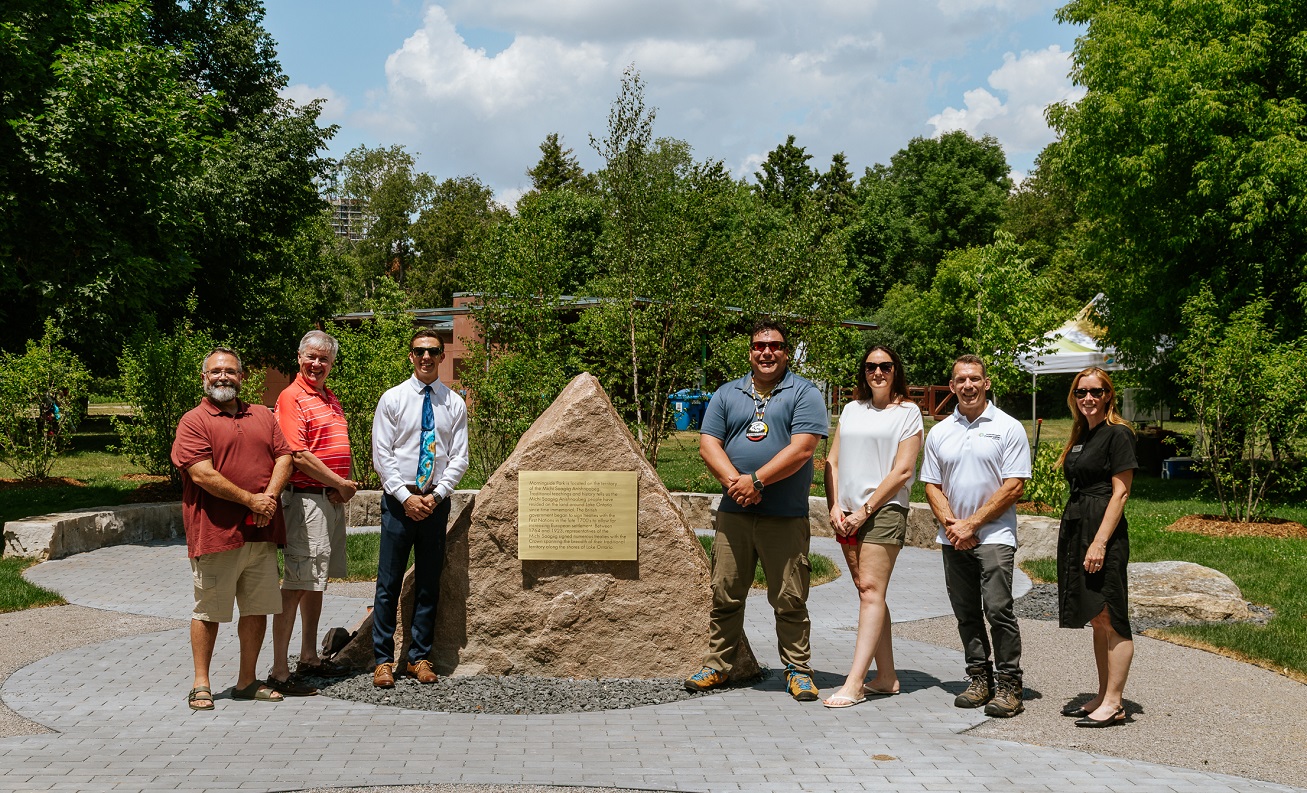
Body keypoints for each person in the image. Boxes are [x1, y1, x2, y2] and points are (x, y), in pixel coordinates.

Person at [684, 320, 829, 702]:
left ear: (786, 351)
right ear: (750, 351)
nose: (767, 352)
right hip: (735, 513)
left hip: (784, 515)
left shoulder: (804, 393)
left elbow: (803, 449)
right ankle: (717, 666)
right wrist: (738, 483)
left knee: (789, 597)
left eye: (776, 346)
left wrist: (758, 481)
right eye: (759, 346)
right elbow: (708, 445)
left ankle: (798, 670)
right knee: (725, 592)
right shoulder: (727, 393)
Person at [171, 347, 293, 710]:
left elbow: (284, 455)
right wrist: (251, 501)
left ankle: (246, 681)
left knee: (257, 609)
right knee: (209, 610)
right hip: (216, 533)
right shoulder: (193, 420)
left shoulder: (263, 415)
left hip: (261, 533)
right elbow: (201, 473)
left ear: (242, 377)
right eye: (216, 372)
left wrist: (268, 498)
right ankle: (201, 683)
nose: (223, 377)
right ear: (204, 378)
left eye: (231, 371)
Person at [920, 354, 1031, 717]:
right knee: (966, 612)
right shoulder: (940, 432)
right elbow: (932, 485)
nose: (968, 385)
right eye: (961, 380)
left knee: (998, 609)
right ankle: (979, 679)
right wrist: (955, 526)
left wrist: (973, 524)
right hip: (953, 538)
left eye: (975, 379)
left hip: (995, 535)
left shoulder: (1008, 426)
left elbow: (1014, 486)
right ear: (952, 387)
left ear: (986, 383)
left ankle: (1009, 685)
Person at [821, 345, 923, 708]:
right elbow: (832, 460)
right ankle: (888, 677)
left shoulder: (908, 413)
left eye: (885, 366)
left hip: (882, 510)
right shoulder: (851, 409)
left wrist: (865, 510)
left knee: (869, 591)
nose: (877, 372)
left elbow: (903, 471)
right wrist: (834, 504)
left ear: (896, 370)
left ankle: (855, 682)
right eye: (870, 367)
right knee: (870, 594)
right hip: (845, 512)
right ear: (863, 371)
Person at [370, 328, 469, 688]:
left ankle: (419, 657)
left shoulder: (454, 403)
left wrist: (437, 494)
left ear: (443, 356)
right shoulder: (393, 399)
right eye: (419, 351)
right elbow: (383, 454)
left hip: (434, 502)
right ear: (411, 356)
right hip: (400, 503)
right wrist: (404, 497)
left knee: (429, 581)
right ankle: (382, 660)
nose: (426, 357)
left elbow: (459, 457)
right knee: (388, 583)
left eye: (432, 351)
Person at [267, 330, 359, 695]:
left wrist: (337, 486)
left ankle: (308, 657)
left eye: (324, 359)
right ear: (299, 358)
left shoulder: (327, 396)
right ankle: (279, 670)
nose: (317, 364)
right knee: (296, 584)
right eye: (311, 357)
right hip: (306, 501)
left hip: (327, 500)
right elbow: (298, 453)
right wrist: (340, 483)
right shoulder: (292, 397)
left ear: (332, 363)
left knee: (316, 581)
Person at [1056, 367, 1137, 727]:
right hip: (1078, 526)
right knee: (1096, 617)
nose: (1088, 398)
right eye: (1081, 392)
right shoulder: (1083, 434)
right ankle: (1103, 695)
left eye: (1095, 391)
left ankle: (1115, 703)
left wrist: (1100, 542)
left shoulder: (1118, 434)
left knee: (1112, 614)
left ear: (1109, 395)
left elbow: (1120, 493)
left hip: (1102, 530)